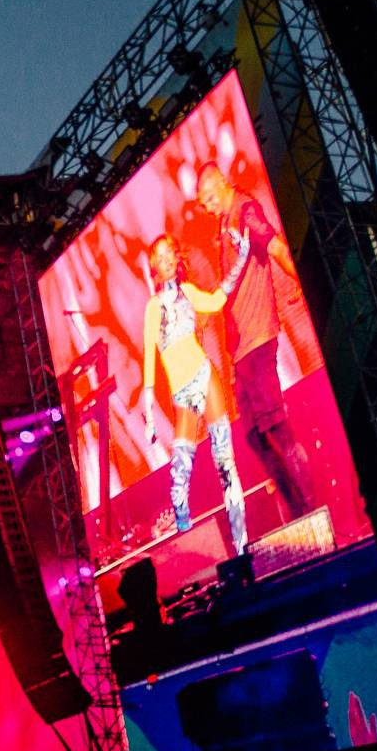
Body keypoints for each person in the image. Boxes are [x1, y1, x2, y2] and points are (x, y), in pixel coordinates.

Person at [200, 164, 316, 523]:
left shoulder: (245, 211)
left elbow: (276, 244)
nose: (207, 206)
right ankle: (297, 505)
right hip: (241, 350)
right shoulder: (224, 225)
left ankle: (310, 506)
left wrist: (298, 279)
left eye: (207, 198)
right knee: (254, 435)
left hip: (259, 339)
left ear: (220, 184)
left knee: (276, 428)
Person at [139, 224, 251, 554]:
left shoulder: (188, 292)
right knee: (181, 472)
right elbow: (149, 356)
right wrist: (148, 415)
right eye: (158, 257)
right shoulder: (152, 309)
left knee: (225, 461)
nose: (166, 259)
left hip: (205, 375)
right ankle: (185, 528)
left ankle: (241, 542)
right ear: (154, 268)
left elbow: (217, 300)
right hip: (182, 392)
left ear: (176, 257)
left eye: (168, 253)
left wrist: (242, 255)